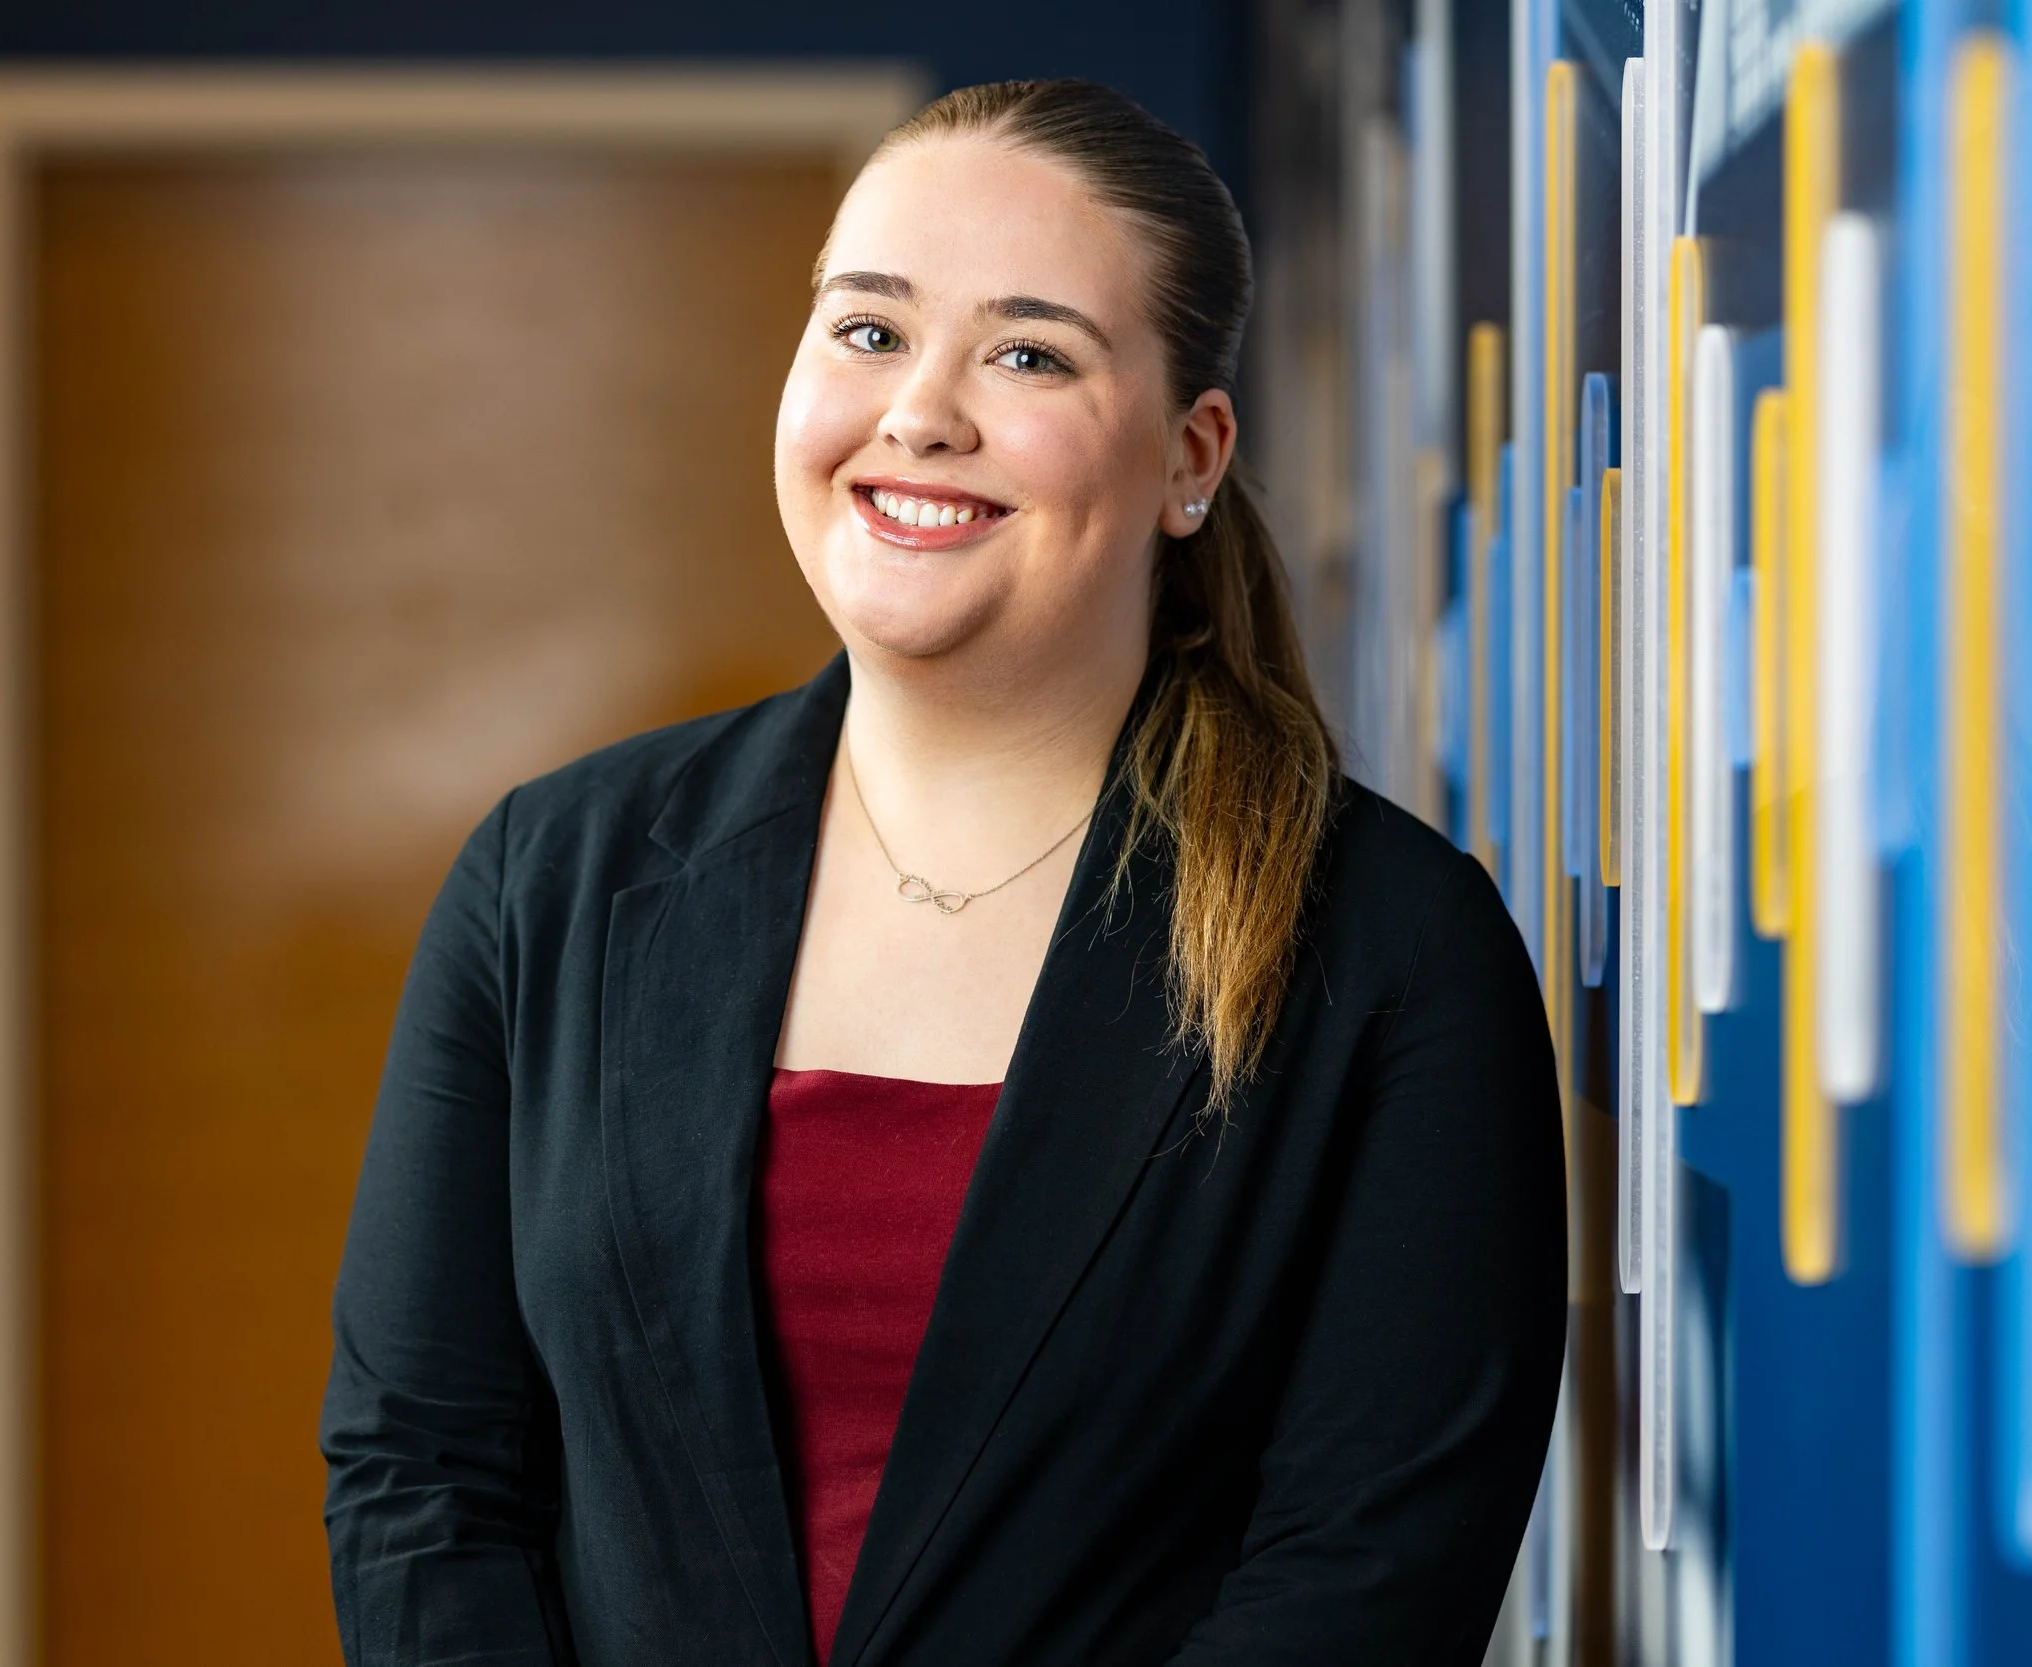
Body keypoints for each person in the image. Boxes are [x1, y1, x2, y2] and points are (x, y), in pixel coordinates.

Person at [320, 77, 1564, 1667]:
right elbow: (421, 1477)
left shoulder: (1390, 950)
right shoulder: (548, 881)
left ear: (1192, 458)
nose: (920, 412)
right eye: (868, 330)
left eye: (1029, 352)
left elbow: (1362, 1579)